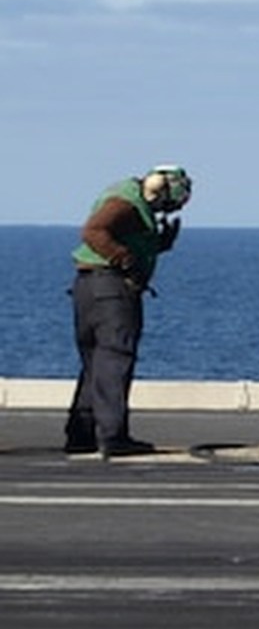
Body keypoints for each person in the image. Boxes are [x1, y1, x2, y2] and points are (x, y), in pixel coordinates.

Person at [65, 165, 191, 458]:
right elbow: (94, 231)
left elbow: (118, 237)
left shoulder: (126, 196)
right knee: (115, 360)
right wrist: (124, 260)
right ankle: (112, 436)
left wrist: (160, 244)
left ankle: (81, 434)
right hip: (111, 291)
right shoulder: (127, 204)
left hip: (88, 288)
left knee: (96, 363)